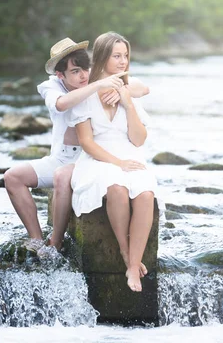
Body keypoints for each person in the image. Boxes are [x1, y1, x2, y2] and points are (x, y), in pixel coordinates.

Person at [4, 37, 149, 253]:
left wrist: (119, 91)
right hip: (62, 156)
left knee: (62, 176)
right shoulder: (51, 86)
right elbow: (61, 104)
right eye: (74, 72)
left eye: (84, 69)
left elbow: (142, 87)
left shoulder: (96, 77)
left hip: (89, 157)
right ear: (60, 75)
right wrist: (97, 86)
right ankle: (36, 240)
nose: (83, 76)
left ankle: (56, 242)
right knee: (12, 177)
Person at [65, 31, 164, 292]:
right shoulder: (86, 94)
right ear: (102, 57)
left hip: (130, 154)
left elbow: (139, 139)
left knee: (145, 192)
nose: (123, 61)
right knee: (116, 188)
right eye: (116, 56)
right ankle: (123, 248)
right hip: (97, 159)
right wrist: (118, 163)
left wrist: (128, 103)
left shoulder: (127, 91)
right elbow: (86, 142)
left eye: (126, 56)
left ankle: (133, 265)